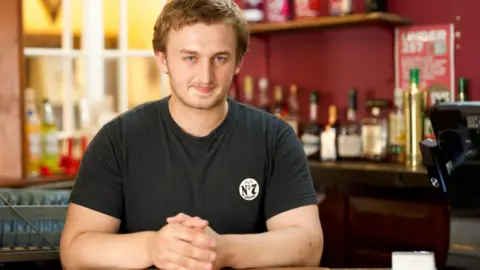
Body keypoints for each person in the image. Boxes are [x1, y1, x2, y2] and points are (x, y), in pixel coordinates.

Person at [59, 0, 323, 269]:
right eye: (190, 58)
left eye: (220, 58)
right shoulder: (116, 140)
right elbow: (74, 251)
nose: (205, 77)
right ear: (162, 59)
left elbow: (308, 244)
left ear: (238, 62)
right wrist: (153, 248)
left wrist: (223, 251)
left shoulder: (275, 138)